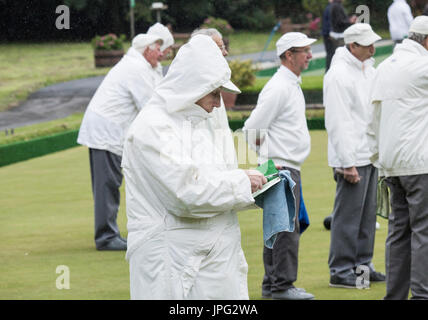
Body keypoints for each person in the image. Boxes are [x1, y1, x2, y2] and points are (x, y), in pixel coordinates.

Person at [121, 34, 267, 300]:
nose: (219, 103)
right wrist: (243, 182)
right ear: (193, 86)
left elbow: (216, 180)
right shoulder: (152, 128)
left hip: (207, 261)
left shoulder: (195, 123)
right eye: (214, 93)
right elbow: (187, 194)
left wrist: (258, 189)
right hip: (171, 264)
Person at [243, 32, 316, 300]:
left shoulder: (289, 84)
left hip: (286, 166)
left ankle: (273, 286)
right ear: (288, 55)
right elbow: (251, 128)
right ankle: (282, 286)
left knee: (282, 226)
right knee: (285, 229)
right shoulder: (278, 87)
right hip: (281, 168)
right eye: (304, 51)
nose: (309, 55)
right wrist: (265, 155)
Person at [77, 34, 163, 251]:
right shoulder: (136, 68)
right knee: (107, 184)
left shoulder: (138, 65)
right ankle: (106, 237)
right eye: (158, 49)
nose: (161, 54)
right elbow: (149, 105)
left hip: (109, 131)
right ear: (147, 50)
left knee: (109, 183)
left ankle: (108, 233)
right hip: (107, 132)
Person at [367, 16, 428, 300]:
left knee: (398, 232)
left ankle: (394, 296)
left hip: (391, 164)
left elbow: (372, 120)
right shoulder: (423, 66)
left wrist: (378, 158)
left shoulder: (383, 68)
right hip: (419, 163)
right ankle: (421, 295)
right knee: (423, 232)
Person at [324, 23, 385, 288]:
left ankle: (362, 266)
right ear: (352, 46)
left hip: (369, 155)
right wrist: (346, 162)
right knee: (348, 218)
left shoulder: (367, 71)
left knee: (367, 217)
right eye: (367, 44)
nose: (373, 47)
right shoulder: (338, 75)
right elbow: (338, 121)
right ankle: (340, 270)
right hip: (351, 159)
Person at [190, 28, 238, 169]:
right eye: (220, 48)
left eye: (224, 47)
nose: (225, 53)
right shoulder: (194, 94)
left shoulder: (214, 85)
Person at [322, 0, 335, 71]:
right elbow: (330, 22)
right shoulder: (331, 8)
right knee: (331, 54)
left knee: (330, 54)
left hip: (327, 34)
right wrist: (331, 33)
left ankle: (329, 71)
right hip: (329, 35)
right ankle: (329, 71)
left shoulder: (329, 7)